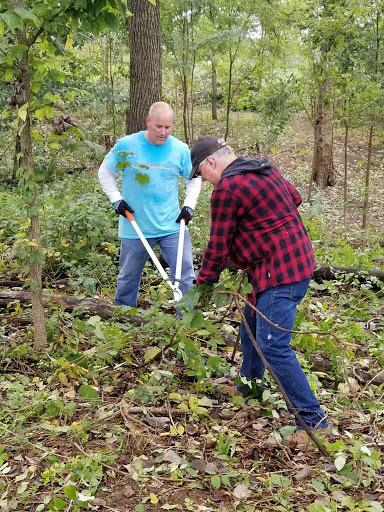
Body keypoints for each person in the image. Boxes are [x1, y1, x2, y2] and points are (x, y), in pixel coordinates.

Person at [190, 135, 328, 432]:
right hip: (297, 262)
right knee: (250, 324)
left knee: (272, 345)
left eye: (201, 173)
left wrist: (202, 286)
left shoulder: (228, 188)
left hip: (280, 275)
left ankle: (314, 421)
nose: (205, 180)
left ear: (211, 162)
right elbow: (295, 198)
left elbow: (218, 245)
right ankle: (250, 386)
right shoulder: (264, 167)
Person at [98, 102, 201, 307]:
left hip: (172, 225)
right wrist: (116, 200)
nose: (163, 132)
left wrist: (188, 205)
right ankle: (124, 319)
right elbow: (105, 171)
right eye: (158, 127)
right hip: (135, 225)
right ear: (148, 122)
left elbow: (194, 178)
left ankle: (186, 320)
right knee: (128, 277)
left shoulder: (180, 149)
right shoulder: (127, 146)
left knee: (185, 274)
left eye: (168, 127)